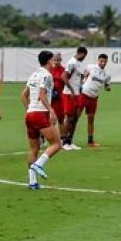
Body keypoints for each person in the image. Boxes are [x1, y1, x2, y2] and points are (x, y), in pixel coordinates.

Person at [22, 51, 64, 189]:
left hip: (30, 114)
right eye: (53, 60)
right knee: (57, 144)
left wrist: (29, 109)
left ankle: (32, 182)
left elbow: (23, 95)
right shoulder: (47, 75)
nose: (54, 62)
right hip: (41, 114)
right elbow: (42, 94)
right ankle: (39, 164)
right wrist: (51, 110)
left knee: (34, 148)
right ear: (48, 61)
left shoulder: (34, 75)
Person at [78, 54, 112, 146]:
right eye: (101, 61)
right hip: (84, 94)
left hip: (94, 97)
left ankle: (90, 141)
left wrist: (108, 87)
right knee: (75, 117)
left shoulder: (107, 73)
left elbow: (107, 85)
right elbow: (83, 76)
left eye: (105, 62)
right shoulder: (91, 67)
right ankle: (67, 140)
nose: (103, 63)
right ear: (98, 60)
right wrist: (82, 81)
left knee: (91, 119)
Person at [60, 46, 88, 150]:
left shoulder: (78, 63)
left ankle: (70, 141)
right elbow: (63, 77)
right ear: (81, 54)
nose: (84, 58)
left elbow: (76, 78)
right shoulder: (71, 62)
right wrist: (71, 90)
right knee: (69, 117)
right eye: (84, 56)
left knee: (75, 117)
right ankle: (64, 142)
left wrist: (83, 77)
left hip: (76, 94)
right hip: (69, 94)